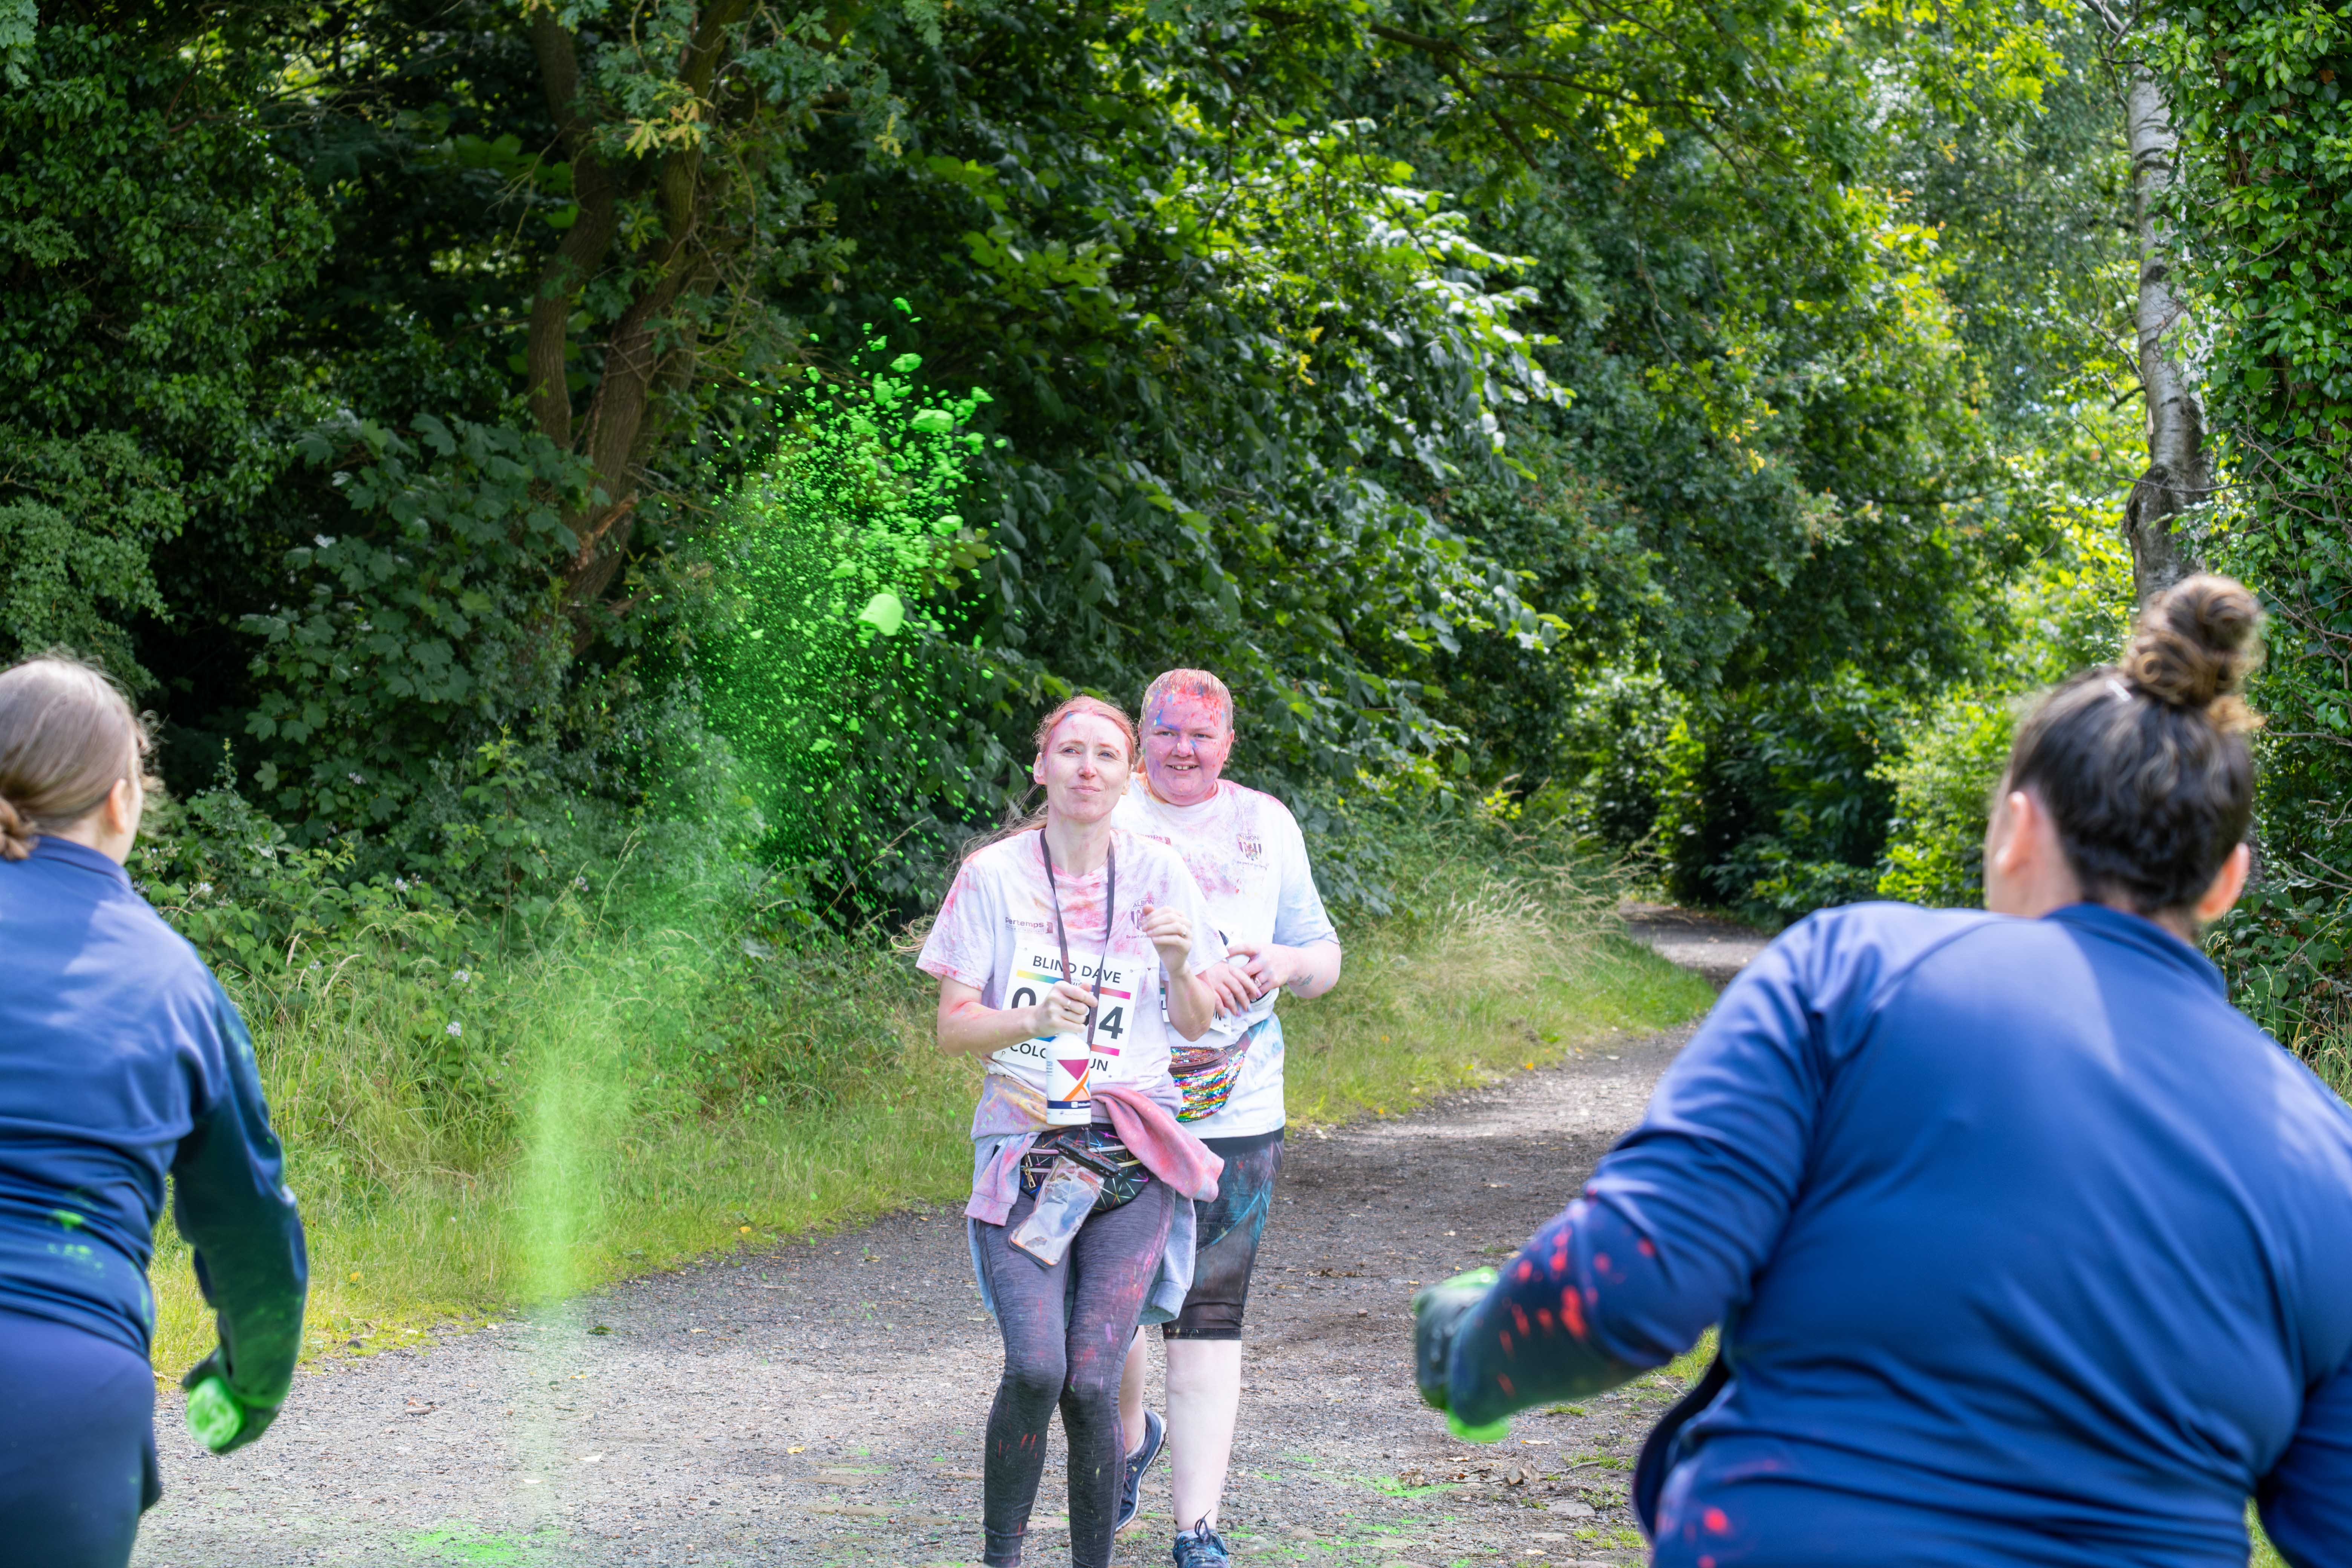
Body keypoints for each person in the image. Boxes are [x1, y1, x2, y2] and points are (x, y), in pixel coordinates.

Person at [1412, 576, 2352, 1568]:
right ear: (2228, 881)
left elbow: (1627, 1284)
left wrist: (1472, 1353)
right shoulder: (2327, 1155)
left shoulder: (1853, 972)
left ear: (2017, 830)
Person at [0, 656, 309, 1568]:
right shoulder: (175, 983)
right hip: (63, 1398)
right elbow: (253, 1229)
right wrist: (249, 1387)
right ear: (122, 802)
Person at [920, 694, 1231, 1568]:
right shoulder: (992, 875)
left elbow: (1201, 1021)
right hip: (1025, 1149)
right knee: (1035, 1368)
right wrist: (1030, 1021)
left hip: (1129, 1155)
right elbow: (953, 1026)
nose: (1087, 768)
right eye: (1070, 752)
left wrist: (1176, 962)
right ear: (1041, 766)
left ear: (1130, 775)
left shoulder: (1164, 871)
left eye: (1106, 755)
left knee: (1096, 1378)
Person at [1102, 668, 1340, 1566]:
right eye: (1166, 732)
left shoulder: (1265, 823)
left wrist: (1280, 961)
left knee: (1207, 1316)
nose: (1183, 749)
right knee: (1111, 1310)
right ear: (1140, 735)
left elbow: (1325, 955)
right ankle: (1131, 1436)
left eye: (1203, 735)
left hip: (1239, 1107)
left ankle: (1195, 1528)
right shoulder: (1105, 809)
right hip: (1119, 1098)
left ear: (1229, 743)